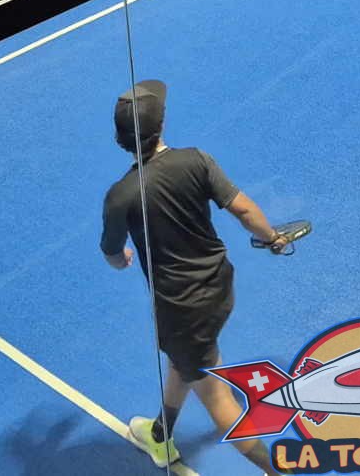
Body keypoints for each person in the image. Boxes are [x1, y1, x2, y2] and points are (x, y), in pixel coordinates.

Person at [102, 80, 282, 472]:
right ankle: (160, 433)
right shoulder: (196, 160)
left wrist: (123, 258)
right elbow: (245, 211)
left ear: (120, 139)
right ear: (161, 126)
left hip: (181, 309)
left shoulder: (120, 196)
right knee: (184, 362)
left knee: (218, 399)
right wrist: (272, 238)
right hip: (219, 287)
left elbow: (113, 255)